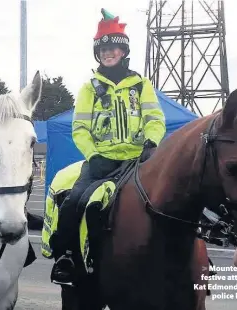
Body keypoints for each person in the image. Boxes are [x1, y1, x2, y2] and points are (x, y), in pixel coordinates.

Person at [49, 8, 166, 286]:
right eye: (103, 50)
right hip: (100, 162)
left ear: (123, 51)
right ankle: (66, 255)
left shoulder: (141, 85)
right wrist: (93, 155)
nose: (108, 53)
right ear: (97, 55)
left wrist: (152, 142)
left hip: (138, 161)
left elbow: (155, 119)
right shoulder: (89, 88)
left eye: (113, 48)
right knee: (75, 201)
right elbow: (80, 129)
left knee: (170, 199)